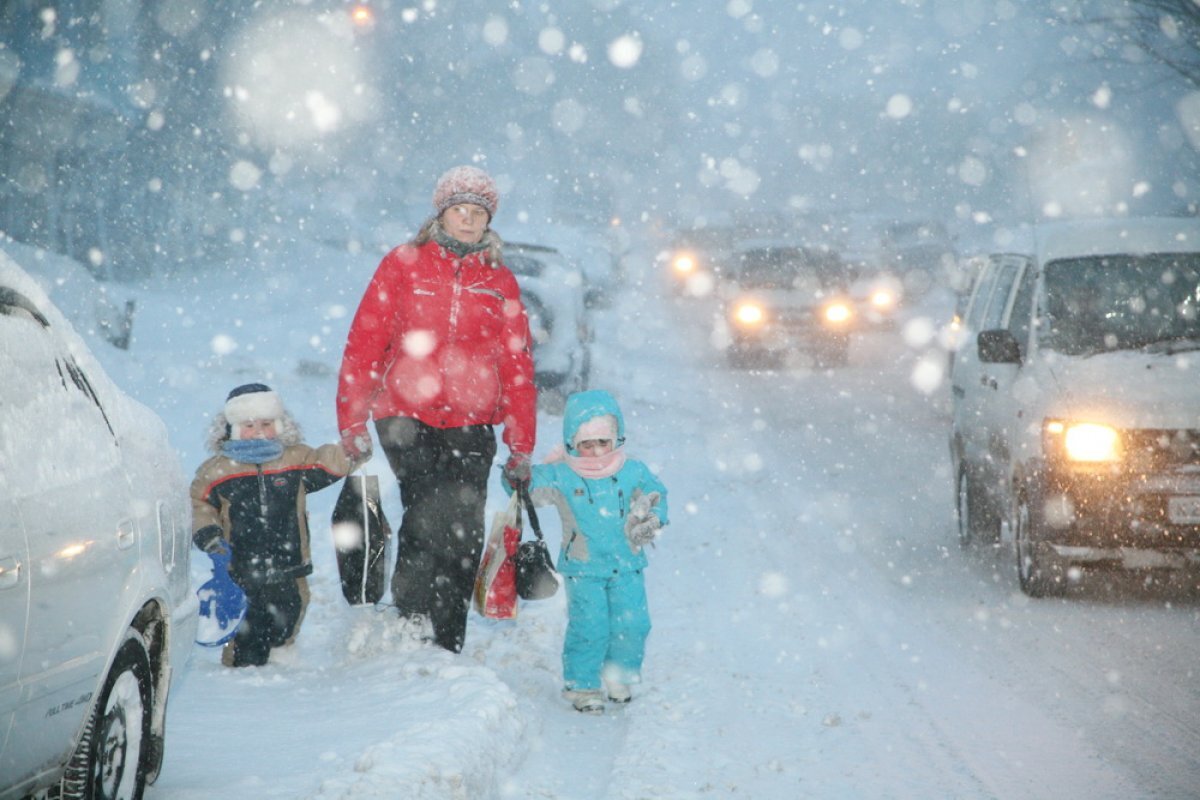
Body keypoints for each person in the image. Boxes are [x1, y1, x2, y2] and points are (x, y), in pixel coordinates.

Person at [336, 165, 537, 653]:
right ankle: (412, 622)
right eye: (458, 211)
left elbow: (518, 366)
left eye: (477, 213)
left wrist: (521, 444)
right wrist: (352, 420)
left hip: (471, 421)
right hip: (405, 413)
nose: (467, 221)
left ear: (489, 221)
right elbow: (364, 344)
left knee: (463, 529)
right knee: (426, 514)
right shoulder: (403, 264)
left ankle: (447, 638)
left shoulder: (500, 280)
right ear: (441, 214)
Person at [511, 389, 669, 714]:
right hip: (583, 568)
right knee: (590, 626)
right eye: (586, 443)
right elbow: (529, 488)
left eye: (602, 442)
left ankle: (618, 675)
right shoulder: (563, 474)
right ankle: (582, 685)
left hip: (627, 565)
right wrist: (517, 474)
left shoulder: (633, 471)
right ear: (572, 442)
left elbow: (657, 495)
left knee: (633, 624)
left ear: (616, 438)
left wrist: (652, 518)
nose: (595, 451)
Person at [191, 383, 355, 668]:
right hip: (240, 567)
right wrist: (208, 533)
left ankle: (283, 654)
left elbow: (329, 464)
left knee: (291, 611)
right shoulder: (217, 470)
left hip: (290, 563)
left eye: (267, 424)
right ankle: (239, 668)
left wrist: (352, 450)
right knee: (245, 625)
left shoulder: (295, 458)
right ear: (230, 429)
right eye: (249, 425)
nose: (259, 431)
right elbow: (199, 505)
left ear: (281, 425)